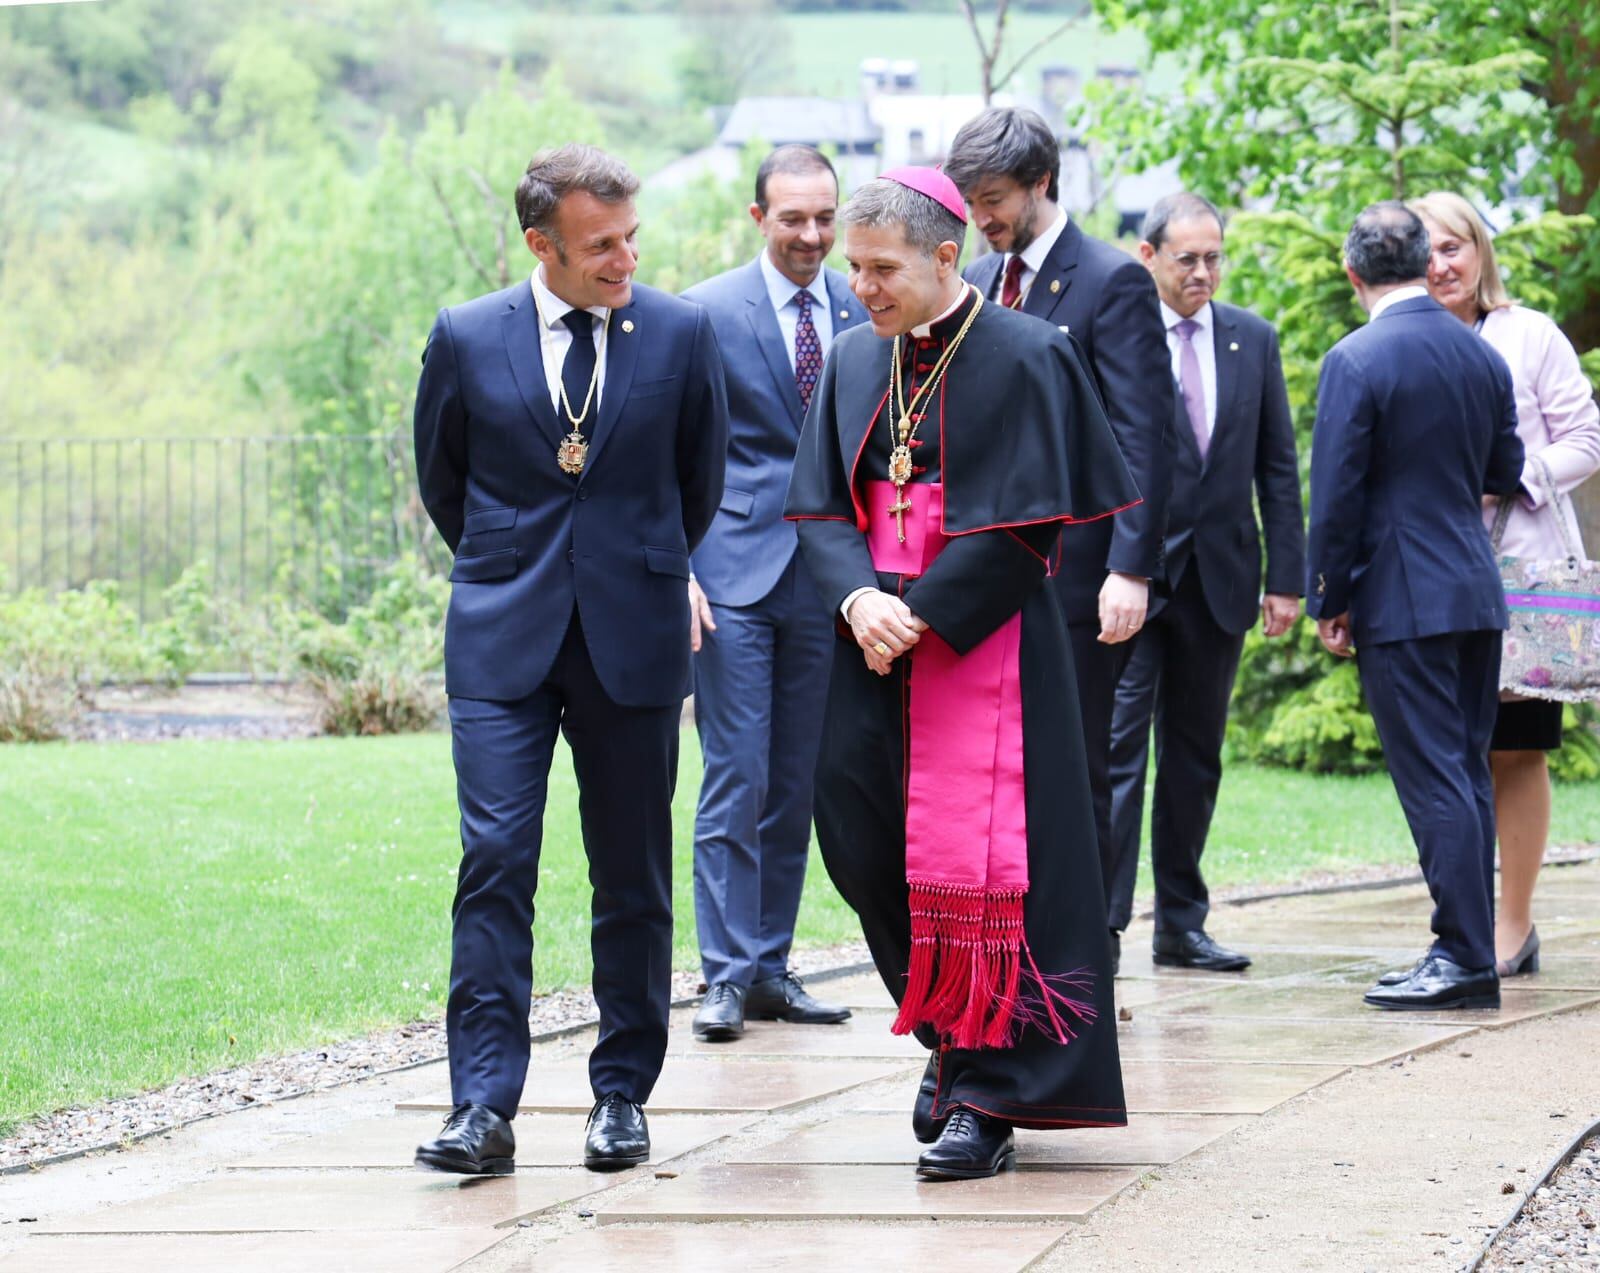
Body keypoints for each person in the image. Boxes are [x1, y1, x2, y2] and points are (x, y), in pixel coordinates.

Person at [784, 167, 1136, 1180]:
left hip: (986, 644)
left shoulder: (1030, 353)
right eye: (853, 267)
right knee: (858, 834)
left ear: (946, 257)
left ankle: (987, 1089)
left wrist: (924, 613)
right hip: (869, 636)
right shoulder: (855, 356)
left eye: (881, 269)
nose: (860, 287)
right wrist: (858, 600)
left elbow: (1030, 525)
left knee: (991, 865)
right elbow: (820, 505)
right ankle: (947, 1030)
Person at [411, 144, 729, 1173]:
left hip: (635, 637)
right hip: (501, 637)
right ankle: (480, 1108)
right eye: (602, 245)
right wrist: (516, 567)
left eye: (631, 237)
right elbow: (445, 481)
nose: (625, 258)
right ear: (540, 244)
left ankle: (621, 1094)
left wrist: (636, 566)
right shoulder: (466, 335)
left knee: (631, 871)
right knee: (495, 862)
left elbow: (700, 482)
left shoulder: (680, 332)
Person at [944, 108, 1173, 970]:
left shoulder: (1112, 282)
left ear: (1042, 183)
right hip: (983, 576)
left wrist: (1131, 568)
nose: (981, 217)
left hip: (1080, 578)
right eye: (971, 201)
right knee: (994, 769)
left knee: (1076, 769)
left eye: (995, 199)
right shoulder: (973, 278)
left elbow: (1144, 435)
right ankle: (1006, 949)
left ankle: (1086, 958)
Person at [1307, 202, 1523, 1011]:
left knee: (1436, 779)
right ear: (1424, 263)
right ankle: (1467, 948)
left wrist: (1329, 595)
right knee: (1464, 773)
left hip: (1403, 596)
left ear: (1352, 272)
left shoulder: (1355, 359)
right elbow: (1504, 467)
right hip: (1473, 588)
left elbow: (1336, 492)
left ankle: (1464, 957)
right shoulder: (1481, 354)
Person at [679, 146, 866, 1042]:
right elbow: (668, 451)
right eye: (793, 218)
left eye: (825, 217)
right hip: (732, 575)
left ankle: (769, 969)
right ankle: (722, 974)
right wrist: (680, 567)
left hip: (828, 578)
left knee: (796, 780)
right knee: (737, 773)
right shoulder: (705, 313)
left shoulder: (862, 307)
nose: (812, 235)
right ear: (759, 218)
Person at [1106, 193, 1305, 972]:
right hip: (1134, 581)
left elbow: (1276, 468)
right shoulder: (1119, 337)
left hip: (1220, 581)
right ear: (1148, 256)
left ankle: (1181, 923)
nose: (1202, 272)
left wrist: (1286, 578)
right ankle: (1102, 928)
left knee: (1195, 758)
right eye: (1186, 258)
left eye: (1213, 257)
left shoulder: (1252, 338)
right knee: (1119, 756)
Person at [1410, 191, 1600, 978]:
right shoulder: (1399, 339)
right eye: (1425, 250)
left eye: (1453, 247)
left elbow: (1585, 437)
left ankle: (1512, 926)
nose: (1440, 264)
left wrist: (1512, 478)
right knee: (1446, 753)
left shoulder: (1529, 334)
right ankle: (1459, 920)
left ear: (1479, 251)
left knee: (1515, 749)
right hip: (1426, 574)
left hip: (1519, 573)